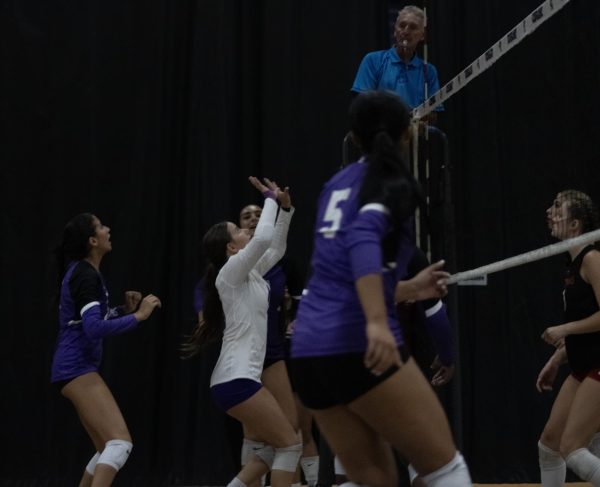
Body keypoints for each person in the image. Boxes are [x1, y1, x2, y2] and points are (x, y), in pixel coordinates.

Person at [290, 90, 471, 487]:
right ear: (410, 134)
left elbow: (341, 279)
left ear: (354, 139)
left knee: (374, 479)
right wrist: (375, 322)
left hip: (307, 351)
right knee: (446, 469)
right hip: (356, 343)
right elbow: (362, 240)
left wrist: (406, 288)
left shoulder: (334, 185)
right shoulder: (392, 183)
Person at [182, 177, 301, 487]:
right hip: (237, 379)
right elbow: (262, 241)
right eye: (238, 231)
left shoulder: (249, 274)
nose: (246, 229)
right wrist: (270, 198)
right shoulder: (230, 273)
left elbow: (274, 248)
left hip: (233, 380)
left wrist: (285, 211)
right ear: (231, 248)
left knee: (274, 450)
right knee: (290, 445)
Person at [51, 213, 162, 487]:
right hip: (75, 367)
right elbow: (93, 329)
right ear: (92, 240)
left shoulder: (84, 272)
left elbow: (89, 322)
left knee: (105, 448)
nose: (108, 229)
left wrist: (124, 311)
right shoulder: (85, 275)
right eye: (101, 226)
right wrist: (139, 316)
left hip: (71, 368)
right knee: (119, 443)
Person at [536, 190, 600, 486]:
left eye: (557, 206)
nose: (550, 211)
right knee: (550, 446)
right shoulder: (571, 267)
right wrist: (556, 359)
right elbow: (584, 324)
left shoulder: (592, 259)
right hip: (582, 364)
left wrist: (564, 330)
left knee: (573, 449)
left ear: (575, 225)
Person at [351, 5, 442, 122]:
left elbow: (433, 114)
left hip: (414, 137)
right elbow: (361, 104)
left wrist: (417, 120)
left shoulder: (429, 71)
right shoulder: (373, 60)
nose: (406, 31)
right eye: (402, 25)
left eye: (413, 27)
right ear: (395, 31)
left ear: (422, 36)